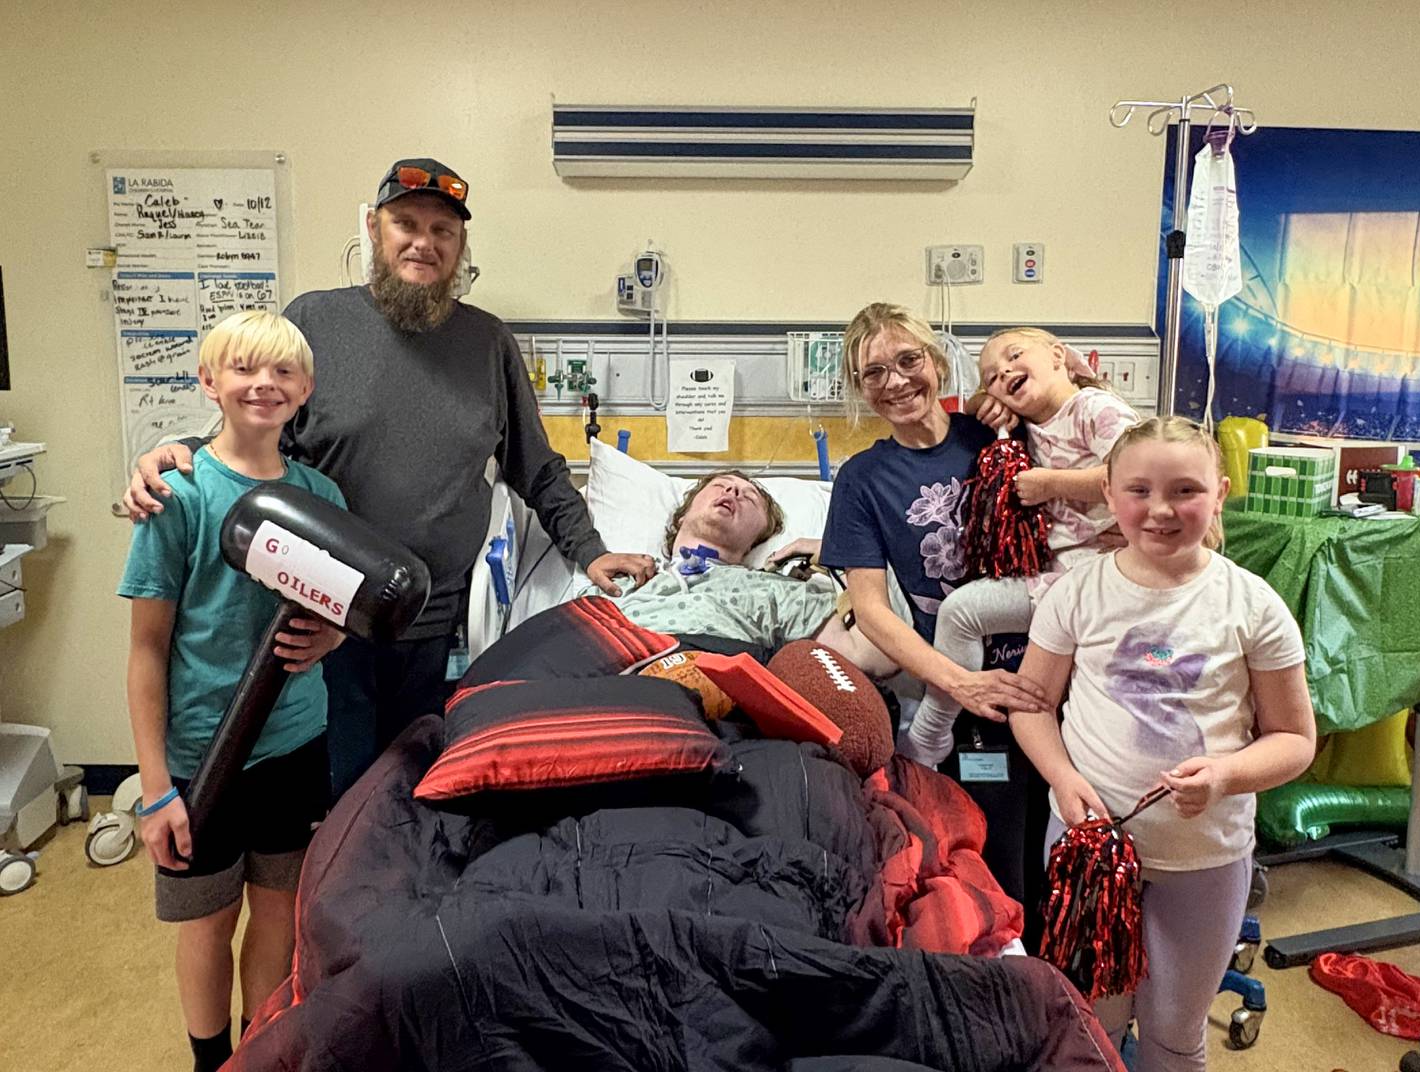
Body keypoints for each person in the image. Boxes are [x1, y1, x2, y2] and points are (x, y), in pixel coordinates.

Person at [122, 157, 654, 797]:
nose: (423, 242)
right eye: (406, 224)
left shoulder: (488, 343)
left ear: (459, 245)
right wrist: (181, 453)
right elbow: (257, 426)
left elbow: (535, 466)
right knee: (338, 792)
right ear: (374, 229)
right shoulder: (316, 322)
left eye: (442, 230)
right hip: (318, 619)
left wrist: (590, 551)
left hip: (431, 620)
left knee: (413, 788)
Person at [1009, 416, 1316, 1071]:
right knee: (1090, 1025)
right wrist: (1061, 776)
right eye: (1139, 490)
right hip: (1088, 849)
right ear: (1109, 493)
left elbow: (1294, 739)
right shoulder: (1078, 591)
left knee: (1175, 1031)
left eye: (1185, 490)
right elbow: (1031, 706)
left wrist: (1227, 775)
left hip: (1202, 857)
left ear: (1220, 493)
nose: (1161, 510)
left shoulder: (1253, 605)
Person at [117, 311, 347, 1072]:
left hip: (293, 744)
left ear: (305, 389)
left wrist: (333, 639)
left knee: (279, 912)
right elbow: (147, 650)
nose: (264, 384)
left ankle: (258, 1050)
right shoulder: (178, 493)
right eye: (244, 368)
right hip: (199, 756)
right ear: (208, 382)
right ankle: (209, 1060)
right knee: (208, 922)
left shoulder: (321, 496)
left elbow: (340, 614)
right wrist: (155, 788)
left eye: (283, 372)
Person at [819, 302, 1053, 917]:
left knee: (1058, 856)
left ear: (937, 362)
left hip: (1053, 674)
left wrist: (997, 400)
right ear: (859, 389)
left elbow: (1088, 427)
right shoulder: (863, 480)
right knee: (992, 871)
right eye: (874, 373)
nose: (895, 382)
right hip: (962, 698)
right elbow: (871, 611)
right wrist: (959, 684)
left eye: (908, 360)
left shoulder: (997, 434)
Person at [898, 327, 1140, 768]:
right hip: (1062, 573)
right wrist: (983, 402)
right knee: (982, 637)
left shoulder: (1094, 409)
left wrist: (1051, 483)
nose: (1004, 372)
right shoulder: (1029, 425)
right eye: (991, 376)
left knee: (963, 614)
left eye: (1014, 356)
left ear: (1058, 356)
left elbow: (1137, 475)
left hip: (1100, 574)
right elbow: (973, 407)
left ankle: (931, 731)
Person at [578, 469, 891, 673]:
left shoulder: (775, 591)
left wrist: (843, 559)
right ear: (681, 516)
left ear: (757, 539)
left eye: (750, 498)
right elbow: (561, 648)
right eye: (720, 485)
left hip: (692, 701)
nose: (733, 491)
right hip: (595, 685)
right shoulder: (620, 580)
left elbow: (871, 657)